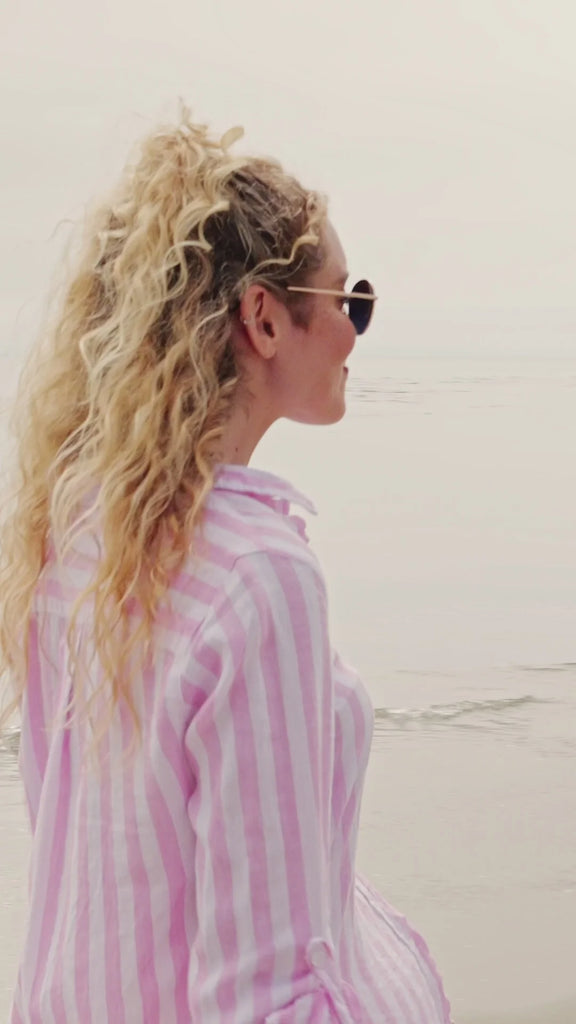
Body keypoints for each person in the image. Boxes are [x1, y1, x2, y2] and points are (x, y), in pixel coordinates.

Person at [0, 105, 453, 1023]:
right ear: (264, 319)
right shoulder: (258, 580)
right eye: (349, 300)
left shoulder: (77, 532)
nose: (356, 330)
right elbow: (265, 1000)